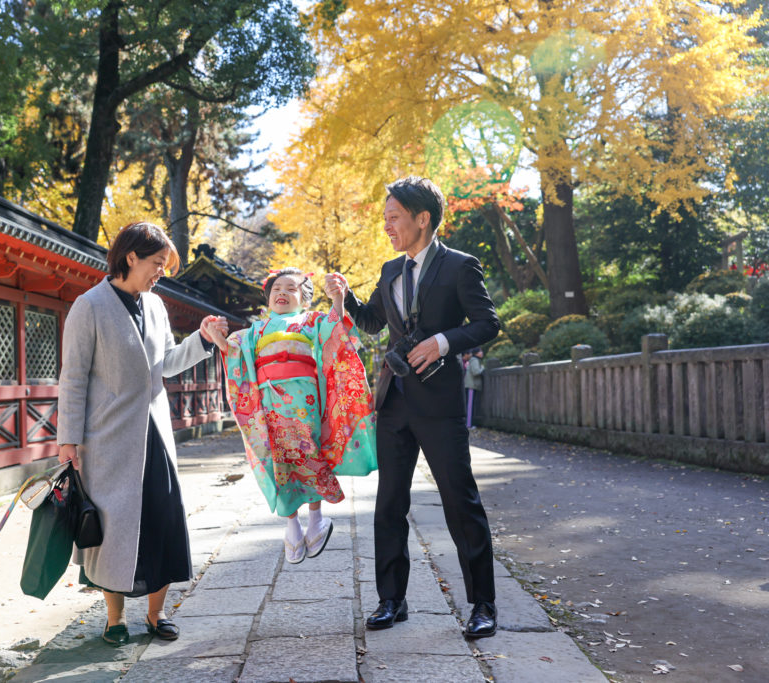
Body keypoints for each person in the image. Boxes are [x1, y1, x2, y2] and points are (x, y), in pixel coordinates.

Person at [325, 176, 501, 638]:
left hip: (440, 404)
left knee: (460, 503)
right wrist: (344, 300)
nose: (387, 225)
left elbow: (487, 323)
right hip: (394, 402)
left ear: (422, 219)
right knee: (388, 505)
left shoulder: (461, 266)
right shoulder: (389, 271)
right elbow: (370, 323)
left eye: (394, 217)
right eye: (385, 218)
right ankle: (391, 600)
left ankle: (483, 605)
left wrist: (443, 342)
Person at [57, 221, 227, 647]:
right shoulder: (88, 306)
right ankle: (114, 619)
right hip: (108, 438)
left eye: (163, 266)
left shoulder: (155, 306)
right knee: (113, 528)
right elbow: (73, 378)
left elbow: (166, 362)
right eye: (156, 263)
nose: (160, 273)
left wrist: (203, 340)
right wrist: (67, 440)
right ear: (130, 257)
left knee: (164, 520)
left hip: (155, 434)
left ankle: (156, 613)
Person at [207, 268, 377, 563]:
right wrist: (217, 338)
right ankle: (292, 524)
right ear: (268, 298)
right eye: (276, 289)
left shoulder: (311, 321)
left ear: (306, 301)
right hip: (270, 401)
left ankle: (316, 518)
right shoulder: (255, 330)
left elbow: (335, 331)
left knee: (306, 452)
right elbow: (235, 354)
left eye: (291, 288)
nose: (282, 293)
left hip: (304, 400)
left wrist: (338, 299)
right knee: (278, 457)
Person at [464, 348, 485, 429]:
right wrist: (482, 368)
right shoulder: (474, 360)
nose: (482, 352)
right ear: (476, 353)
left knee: (471, 405)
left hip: (473, 386)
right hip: (471, 386)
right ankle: (468, 424)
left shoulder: (475, 360)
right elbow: (476, 372)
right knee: (470, 405)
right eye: (480, 351)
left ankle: (469, 423)